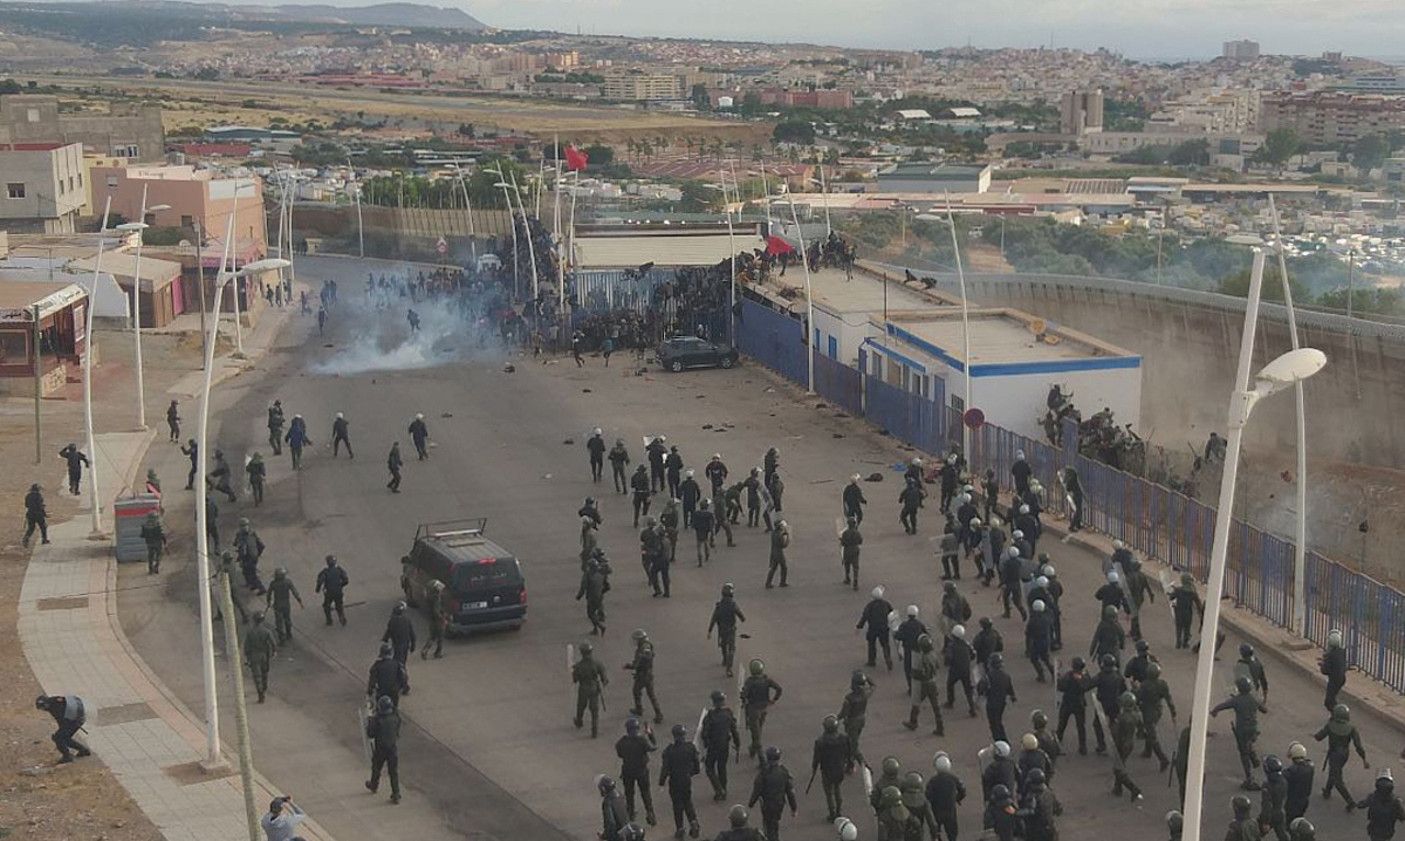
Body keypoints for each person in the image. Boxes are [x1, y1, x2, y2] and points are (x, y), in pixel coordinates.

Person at [1212, 676, 1270, 790]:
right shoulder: (1253, 699)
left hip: (1242, 730)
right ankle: (1254, 757)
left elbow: (1222, 706)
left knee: (1243, 753)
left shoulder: (1236, 700)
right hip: (1253, 729)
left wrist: (1214, 711)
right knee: (1249, 743)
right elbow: (1264, 710)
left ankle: (1249, 778)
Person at [1314, 703, 1368, 807]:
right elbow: (1358, 746)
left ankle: (1350, 801)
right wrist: (1364, 759)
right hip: (1344, 754)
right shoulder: (1351, 728)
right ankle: (1327, 791)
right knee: (1334, 770)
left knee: (1337, 778)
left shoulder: (1330, 725)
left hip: (1334, 754)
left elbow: (1319, 737)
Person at [660, 723, 702, 839]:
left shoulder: (669, 751)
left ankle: (680, 828)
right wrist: (692, 772)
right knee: (688, 802)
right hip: (686, 779)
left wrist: (661, 782)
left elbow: (665, 769)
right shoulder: (690, 747)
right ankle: (693, 822)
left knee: (677, 806)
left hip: (675, 781)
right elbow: (697, 765)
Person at [747, 746, 797, 841]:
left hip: (767, 805)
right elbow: (790, 791)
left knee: (770, 827)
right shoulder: (784, 772)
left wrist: (751, 804)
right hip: (779, 804)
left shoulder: (764, 773)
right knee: (774, 824)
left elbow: (757, 790)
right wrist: (793, 808)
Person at [616, 717, 658, 825]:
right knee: (646, 793)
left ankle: (630, 814)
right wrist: (650, 734)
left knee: (629, 793)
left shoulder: (622, 742)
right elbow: (654, 747)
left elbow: (620, 754)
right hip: (642, 771)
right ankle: (650, 813)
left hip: (627, 771)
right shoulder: (642, 740)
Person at [701, 690, 741, 800]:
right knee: (722, 767)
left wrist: (705, 743)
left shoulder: (710, 716)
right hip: (724, 745)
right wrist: (737, 744)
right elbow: (734, 730)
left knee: (709, 767)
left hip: (713, 746)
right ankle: (724, 789)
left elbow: (705, 733)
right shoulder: (728, 713)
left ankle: (719, 789)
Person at [1136, 661, 1176, 771]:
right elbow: (1169, 698)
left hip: (1147, 711)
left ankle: (1163, 759)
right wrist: (1173, 711)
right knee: (1150, 730)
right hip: (1158, 709)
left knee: (1151, 734)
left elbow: (1137, 697)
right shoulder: (1162, 684)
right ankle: (1147, 751)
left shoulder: (1145, 685)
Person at [811, 715, 851, 823]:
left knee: (829, 793)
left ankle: (832, 813)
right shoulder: (843, 738)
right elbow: (848, 752)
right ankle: (838, 811)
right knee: (837, 789)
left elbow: (817, 758)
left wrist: (814, 767)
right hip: (839, 768)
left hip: (827, 770)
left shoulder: (820, 742)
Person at [364, 694, 402, 804]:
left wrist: (370, 723)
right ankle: (396, 793)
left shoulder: (378, 720)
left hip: (381, 748)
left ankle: (374, 785)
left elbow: (370, 734)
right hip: (392, 748)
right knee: (393, 772)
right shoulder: (395, 718)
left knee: (376, 767)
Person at [741, 659, 782, 760]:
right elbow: (779, 689)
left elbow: (744, 695)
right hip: (764, 708)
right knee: (758, 730)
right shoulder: (766, 680)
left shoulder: (750, 682)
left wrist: (744, 699)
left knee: (755, 732)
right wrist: (773, 700)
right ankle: (753, 749)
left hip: (753, 709)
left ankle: (761, 758)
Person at [904, 633, 944, 736]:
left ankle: (913, 722)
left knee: (916, 702)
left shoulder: (922, 658)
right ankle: (940, 727)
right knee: (936, 706)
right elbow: (937, 666)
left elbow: (919, 673)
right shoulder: (933, 655)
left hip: (924, 684)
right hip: (933, 682)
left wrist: (913, 674)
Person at [34, 694, 89, 763]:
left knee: (58, 738)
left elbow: (62, 721)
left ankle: (67, 757)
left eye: (42, 708)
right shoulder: (54, 700)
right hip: (79, 719)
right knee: (65, 738)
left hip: (74, 722)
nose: (43, 710)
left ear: (45, 705)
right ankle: (83, 750)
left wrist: (59, 734)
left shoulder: (54, 708)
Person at [1111, 691, 1145, 802]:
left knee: (1118, 769)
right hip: (1130, 743)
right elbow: (1141, 729)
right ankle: (1117, 788)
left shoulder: (1122, 717)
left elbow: (1116, 732)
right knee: (1121, 765)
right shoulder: (1137, 715)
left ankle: (1133, 789)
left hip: (1122, 743)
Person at [1056, 657, 1093, 755]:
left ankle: (1057, 745)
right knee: (1081, 726)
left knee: (1062, 725)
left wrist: (1059, 677)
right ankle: (1083, 747)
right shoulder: (1085, 675)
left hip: (1067, 703)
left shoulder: (1068, 675)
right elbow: (1087, 686)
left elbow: (1060, 687)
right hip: (1079, 703)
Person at [837, 670, 875, 765]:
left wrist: (836, 718)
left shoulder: (849, 698)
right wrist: (866, 677)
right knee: (854, 741)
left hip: (852, 722)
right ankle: (850, 762)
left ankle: (861, 763)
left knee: (852, 744)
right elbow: (873, 686)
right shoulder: (865, 694)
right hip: (861, 720)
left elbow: (844, 713)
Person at [626, 629, 664, 724]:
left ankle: (640, 710)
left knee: (636, 691)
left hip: (643, 675)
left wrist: (631, 666)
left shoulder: (644, 648)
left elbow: (641, 661)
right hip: (648, 674)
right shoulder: (646, 646)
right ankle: (658, 713)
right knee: (651, 694)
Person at [925, 752, 965, 841]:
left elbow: (927, 796)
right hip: (950, 811)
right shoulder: (953, 778)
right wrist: (957, 798)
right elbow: (963, 790)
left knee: (935, 832)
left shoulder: (933, 781)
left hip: (937, 811)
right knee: (952, 834)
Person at [707, 582, 745, 676]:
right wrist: (742, 618)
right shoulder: (733, 605)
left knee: (723, 645)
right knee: (731, 649)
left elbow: (714, 618)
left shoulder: (719, 606)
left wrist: (709, 631)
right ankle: (729, 668)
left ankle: (724, 659)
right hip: (731, 629)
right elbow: (740, 614)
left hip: (722, 630)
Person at [573, 640, 609, 737]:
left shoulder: (579, 666)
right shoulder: (597, 663)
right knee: (594, 710)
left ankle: (579, 721)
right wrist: (603, 682)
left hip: (583, 688)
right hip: (594, 688)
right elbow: (604, 678)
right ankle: (594, 730)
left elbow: (575, 679)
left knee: (581, 706)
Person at [979, 652, 1017, 743]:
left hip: (991, 704)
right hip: (1001, 703)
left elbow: (981, 689)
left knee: (994, 725)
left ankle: (1000, 743)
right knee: (998, 722)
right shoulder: (1006, 676)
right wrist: (1013, 697)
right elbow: (1010, 690)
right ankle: (1003, 740)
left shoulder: (988, 676)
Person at [1358, 770, 1405, 841]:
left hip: (1374, 830)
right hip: (1388, 831)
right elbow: (1402, 816)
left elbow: (1360, 805)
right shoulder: (1396, 801)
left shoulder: (1372, 797)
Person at [858, 586, 895, 670]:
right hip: (884, 628)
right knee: (885, 645)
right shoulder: (886, 604)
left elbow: (865, 616)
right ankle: (888, 659)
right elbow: (892, 614)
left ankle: (872, 661)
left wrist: (859, 626)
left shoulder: (870, 606)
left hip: (873, 628)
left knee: (871, 644)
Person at [265, 568, 304, 644]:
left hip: (277, 604)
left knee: (279, 622)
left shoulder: (273, 583)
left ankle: (282, 639)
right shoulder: (288, 582)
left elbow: (269, 594)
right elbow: (294, 591)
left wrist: (268, 601)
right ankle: (289, 633)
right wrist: (299, 601)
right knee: (287, 619)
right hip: (286, 604)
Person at [894, 605, 928, 693]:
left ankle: (911, 688)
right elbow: (926, 636)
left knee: (908, 670)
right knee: (920, 669)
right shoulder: (919, 624)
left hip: (908, 650)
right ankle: (922, 687)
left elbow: (899, 636)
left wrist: (895, 633)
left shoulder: (904, 625)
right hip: (919, 650)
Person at [367, 642, 410, 707]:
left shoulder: (377, 665)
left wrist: (370, 691)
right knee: (395, 707)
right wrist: (404, 687)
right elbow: (403, 677)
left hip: (381, 691)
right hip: (394, 691)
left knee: (379, 708)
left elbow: (372, 680)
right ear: (391, 653)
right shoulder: (397, 664)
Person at [1169, 572, 1204, 650]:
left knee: (1179, 627)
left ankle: (1178, 642)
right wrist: (1201, 611)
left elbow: (1171, 597)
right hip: (1188, 612)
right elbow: (1198, 602)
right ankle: (1185, 643)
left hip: (1178, 611)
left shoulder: (1178, 590)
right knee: (1187, 627)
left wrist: (1173, 591)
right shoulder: (1192, 592)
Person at [577, 554, 610, 636]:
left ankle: (600, 626)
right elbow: (607, 585)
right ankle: (595, 629)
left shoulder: (588, 575)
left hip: (591, 597)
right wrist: (602, 591)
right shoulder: (601, 574)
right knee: (595, 611)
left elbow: (583, 586)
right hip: (599, 596)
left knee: (590, 613)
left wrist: (579, 596)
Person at [1284, 742, 1315, 823]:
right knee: (1299, 819)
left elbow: (1283, 775)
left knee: (1290, 822)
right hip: (1304, 799)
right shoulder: (1310, 766)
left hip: (1293, 801)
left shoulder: (1292, 771)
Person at [1260, 755, 1290, 841]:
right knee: (1282, 835)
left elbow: (1267, 804)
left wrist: (1265, 821)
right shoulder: (1283, 780)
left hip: (1271, 815)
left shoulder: (1267, 785)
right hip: (1280, 812)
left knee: (1255, 834)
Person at [1025, 599, 1055, 682]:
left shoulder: (1032, 621)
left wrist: (1027, 649)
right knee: (1046, 659)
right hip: (1046, 640)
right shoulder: (1047, 618)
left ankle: (1041, 675)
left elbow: (1028, 634)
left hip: (1037, 642)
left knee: (1034, 659)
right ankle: (1053, 673)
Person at [315, 555, 349, 627]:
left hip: (329, 593)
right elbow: (346, 580)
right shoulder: (339, 570)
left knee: (326, 606)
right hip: (338, 592)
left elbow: (320, 581)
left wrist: (317, 589)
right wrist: (340, 585)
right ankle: (341, 616)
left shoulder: (325, 572)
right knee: (339, 605)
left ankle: (329, 620)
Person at [1320, 629, 1348, 712]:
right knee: (1332, 698)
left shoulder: (1330, 655)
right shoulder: (1341, 652)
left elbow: (1325, 670)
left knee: (1329, 701)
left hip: (1334, 680)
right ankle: (1336, 715)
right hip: (1341, 678)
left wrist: (1323, 665)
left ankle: (1339, 715)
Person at [599, 776, 631, 841]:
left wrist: (605, 836)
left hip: (617, 835)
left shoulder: (607, 802)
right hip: (626, 830)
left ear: (604, 789)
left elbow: (610, 823)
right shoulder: (620, 794)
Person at [839, 517, 863, 590]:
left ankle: (847, 577)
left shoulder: (845, 533)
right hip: (855, 549)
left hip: (847, 549)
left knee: (847, 564)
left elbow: (842, 543)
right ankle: (855, 580)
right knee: (855, 566)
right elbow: (860, 541)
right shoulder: (857, 532)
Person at [765, 519, 789, 589]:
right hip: (779, 553)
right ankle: (782, 582)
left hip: (774, 552)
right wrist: (787, 538)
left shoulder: (773, 533)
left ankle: (768, 583)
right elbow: (783, 545)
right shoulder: (780, 535)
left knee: (773, 568)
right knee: (784, 567)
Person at [692, 498, 716, 566]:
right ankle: (707, 555)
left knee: (699, 546)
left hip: (699, 530)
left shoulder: (696, 513)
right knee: (706, 542)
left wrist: (695, 527)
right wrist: (711, 531)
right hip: (706, 530)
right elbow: (712, 523)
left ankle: (700, 561)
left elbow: (693, 523)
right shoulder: (709, 514)